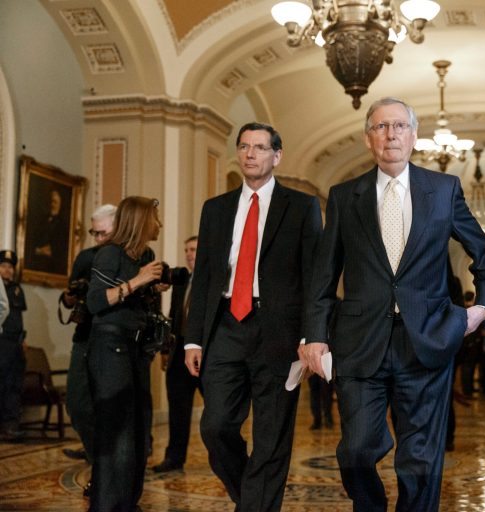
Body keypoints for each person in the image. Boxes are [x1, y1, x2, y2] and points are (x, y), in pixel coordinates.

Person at [304, 97, 485, 512]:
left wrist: (480, 309)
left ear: (414, 136)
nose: (390, 134)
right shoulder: (344, 196)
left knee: (420, 461)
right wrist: (315, 336)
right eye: (380, 127)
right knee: (356, 451)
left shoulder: (444, 190)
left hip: (426, 340)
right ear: (368, 139)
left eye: (399, 126)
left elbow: (483, 256)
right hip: (360, 344)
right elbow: (324, 275)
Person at [184, 122, 322, 511]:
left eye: (260, 148)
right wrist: (194, 338)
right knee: (216, 426)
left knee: (271, 434)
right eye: (244, 147)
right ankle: (253, 498)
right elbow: (206, 276)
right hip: (226, 326)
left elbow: (314, 276)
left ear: (276, 156)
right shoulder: (216, 208)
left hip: (279, 332)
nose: (250, 154)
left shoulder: (302, 206)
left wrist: (312, 335)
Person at [86, 196, 165, 511]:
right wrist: (139, 281)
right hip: (110, 348)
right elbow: (95, 302)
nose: (159, 224)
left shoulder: (144, 255)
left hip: (134, 349)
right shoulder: (109, 254)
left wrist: (151, 289)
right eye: (155, 218)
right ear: (142, 221)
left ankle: (128, 504)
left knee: (137, 434)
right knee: (116, 435)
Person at [60, 203, 117, 471]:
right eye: (94, 233)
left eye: (103, 233)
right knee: (77, 403)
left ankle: (108, 467)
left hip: (116, 340)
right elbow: (70, 300)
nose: (98, 239)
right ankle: (96, 457)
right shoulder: (85, 257)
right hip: (84, 336)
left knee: (112, 407)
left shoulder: (128, 256)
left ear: (117, 228)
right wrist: (71, 294)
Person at [153, 236, 201, 472]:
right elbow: (172, 315)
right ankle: (174, 458)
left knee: (220, 412)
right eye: (186, 250)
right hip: (180, 351)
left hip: (207, 354)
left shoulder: (215, 279)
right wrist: (165, 351)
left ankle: (225, 456)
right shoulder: (182, 281)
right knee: (178, 409)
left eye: (193, 249)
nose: (189, 254)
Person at [0, 250, 26, 441]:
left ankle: (11, 426)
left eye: (11, 267)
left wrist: (23, 339)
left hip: (15, 344)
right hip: (1, 342)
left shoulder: (17, 289)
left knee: (14, 385)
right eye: (3, 266)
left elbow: (18, 318)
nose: (8, 270)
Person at [32, 188, 68, 275]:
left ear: (59, 204)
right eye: (51, 201)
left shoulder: (63, 225)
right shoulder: (41, 221)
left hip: (53, 265)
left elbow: (63, 248)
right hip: (37, 264)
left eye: (55, 202)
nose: (52, 204)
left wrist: (51, 251)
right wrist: (38, 250)